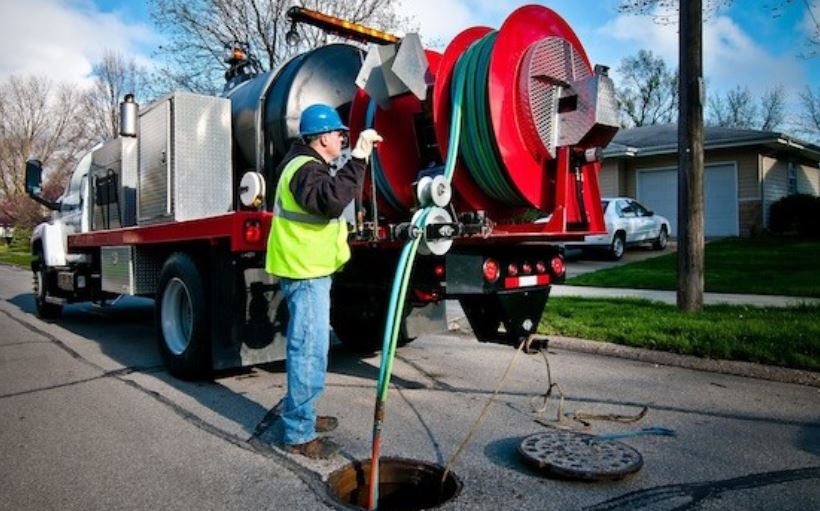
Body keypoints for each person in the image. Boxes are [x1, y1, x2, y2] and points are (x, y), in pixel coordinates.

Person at [265, 103, 382, 459]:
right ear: (320, 138)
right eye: (337, 133)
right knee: (308, 351)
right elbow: (330, 201)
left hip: (309, 269)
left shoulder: (307, 166)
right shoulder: (304, 168)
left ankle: (305, 414)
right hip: (304, 272)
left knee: (313, 349)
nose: (342, 139)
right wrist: (358, 158)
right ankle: (298, 434)